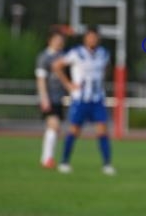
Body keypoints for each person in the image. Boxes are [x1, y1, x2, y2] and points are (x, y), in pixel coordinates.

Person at [52, 26, 116, 175]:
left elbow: (106, 71)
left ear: (98, 39)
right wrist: (68, 84)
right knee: (74, 130)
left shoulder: (103, 54)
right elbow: (57, 66)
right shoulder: (77, 53)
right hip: (80, 99)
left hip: (97, 98)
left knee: (102, 130)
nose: (92, 40)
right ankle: (64, 162)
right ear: (85, 38)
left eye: (95, 37)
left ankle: (107, 164)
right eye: (90, 37)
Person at [35, 29, 67, 169]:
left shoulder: (63, 57)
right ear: (50, 40)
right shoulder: (44, 57)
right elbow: (41, 79)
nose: (59, 42)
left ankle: (47, 158)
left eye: (61, 40)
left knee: (55, 128)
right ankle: (47, 158)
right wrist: (44, 98)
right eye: (57, 40)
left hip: (60, 97)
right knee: (53, 125)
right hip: (49, 97)